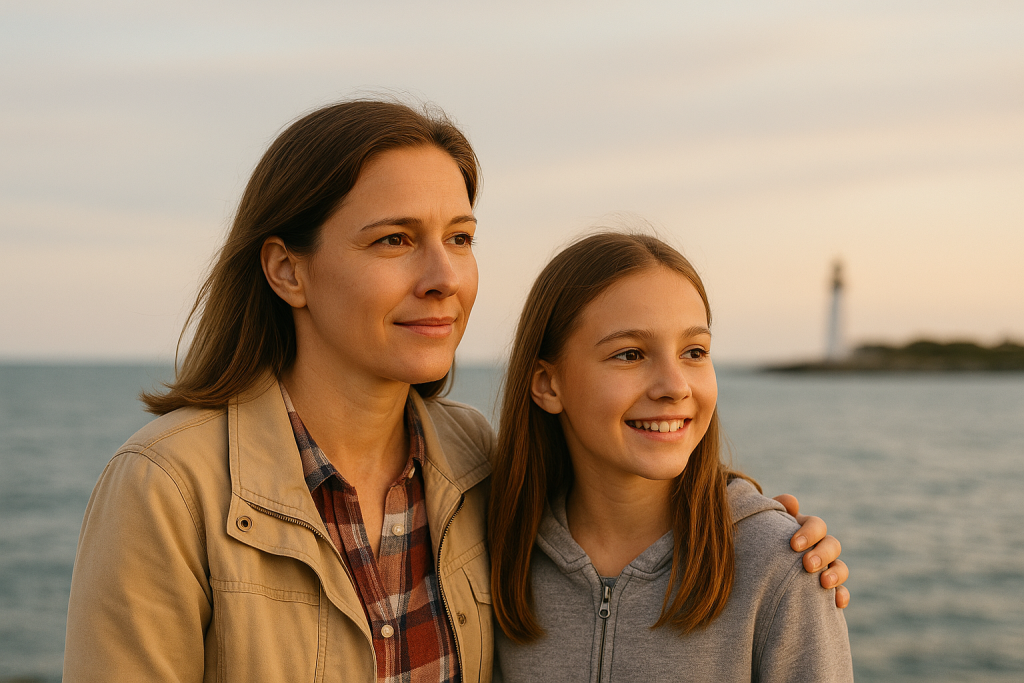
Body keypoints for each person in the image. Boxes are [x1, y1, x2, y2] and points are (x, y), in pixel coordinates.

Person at [63, 101, 848, 682]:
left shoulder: (476, 464)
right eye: (395, 240)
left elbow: (617, 481)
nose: (443, 279)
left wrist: (753, 520)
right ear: (286, 269)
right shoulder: (169, 487)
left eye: (461, 238)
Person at [489, 231, 854, 681]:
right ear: (547, 384)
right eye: (630, 354)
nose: (675, 385)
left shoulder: (779, 568)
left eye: (694, 352)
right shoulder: (496, 548)